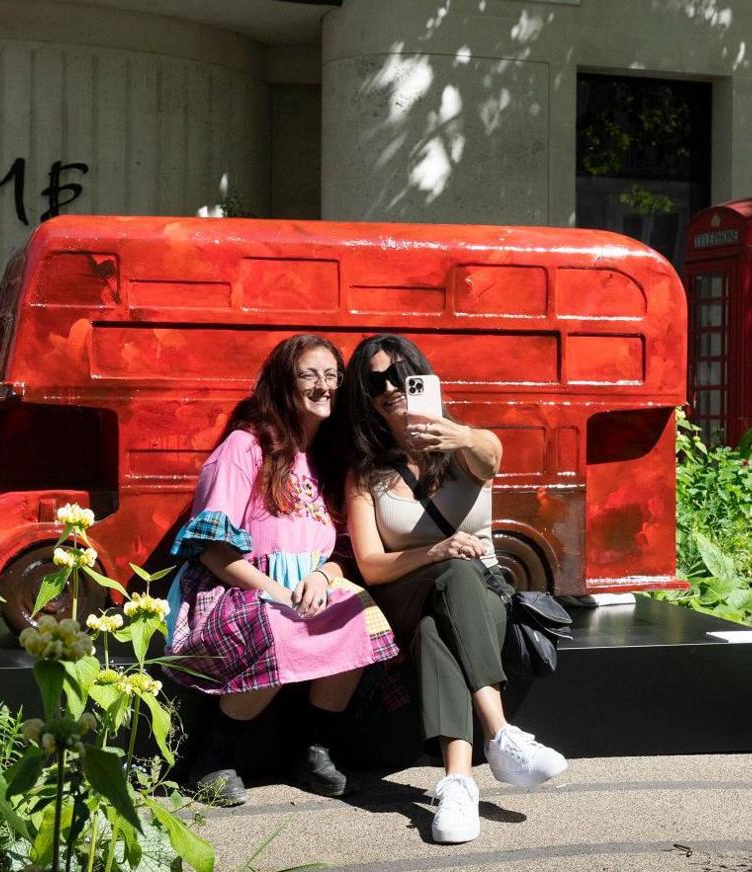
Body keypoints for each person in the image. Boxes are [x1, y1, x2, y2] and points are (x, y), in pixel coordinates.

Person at [331, 333, 567, 845]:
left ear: (423, 376)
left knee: (446, 618)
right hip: (404, 595)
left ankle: (458, 783)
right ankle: (500, 734)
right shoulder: (365, 472)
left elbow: (493, 455)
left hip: (481, 597)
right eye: (375, 381)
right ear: (364, 395)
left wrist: (458, 436)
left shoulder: (462, 449)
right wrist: (434, 552)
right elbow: (371, 566)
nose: (391, 386)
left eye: (401, 374)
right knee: (449, 579)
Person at [164, 334, 399, 807]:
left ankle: (313, 751)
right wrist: (278, 591)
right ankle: (214, 757)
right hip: (238, 584)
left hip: (310, 587)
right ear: (282, 384)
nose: (324, 386)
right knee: (277, 623)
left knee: (361, 614)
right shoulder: (244, 447)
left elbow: (346, 551)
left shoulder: (330, 459)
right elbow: (211, 551)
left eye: (332, 375)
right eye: (309, 375)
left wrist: (323, 577)